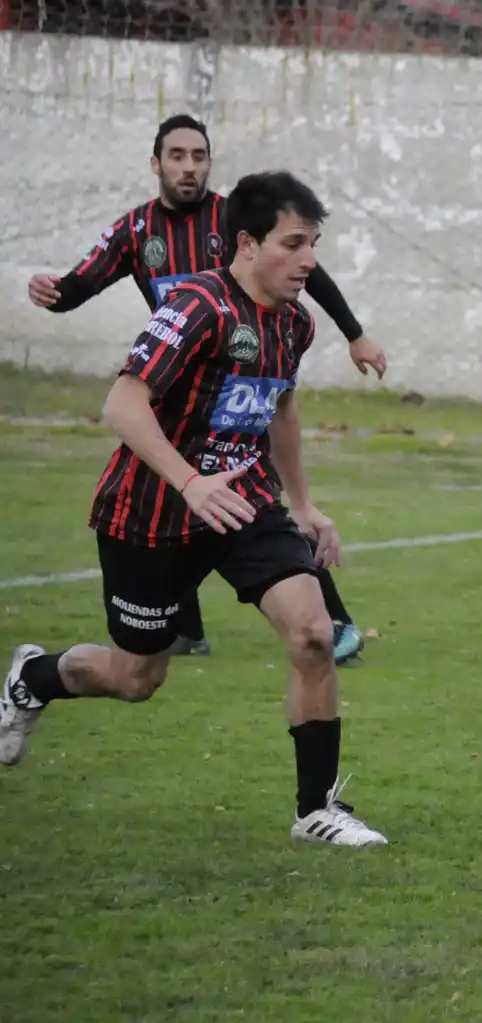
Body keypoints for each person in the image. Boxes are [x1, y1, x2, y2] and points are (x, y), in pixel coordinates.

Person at [1, 170, 389, 848]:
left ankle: (315, 809)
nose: (308, 260)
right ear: (247, 243)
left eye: (314, 244)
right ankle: (33, 676)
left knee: (314, 634)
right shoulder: (197, 305)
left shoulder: (295, 323)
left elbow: (281, 406)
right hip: (152, 510)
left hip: (243, 503)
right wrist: (189, 481)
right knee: (136, 675)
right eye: (293, 243)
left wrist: (300, 503)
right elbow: (123, 404)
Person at [26, 113, 381, 664]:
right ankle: (173, 631)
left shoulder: (238, 220)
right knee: (140, 663)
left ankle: (327, 626)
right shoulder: (138, 233)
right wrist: (50, 290)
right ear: (156, 163)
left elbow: (308, 272)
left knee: (264, 517)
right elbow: (79, 286)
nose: (189, 166)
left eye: (199, 155)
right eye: (177, 155)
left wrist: (355, 334)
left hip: (236, 414)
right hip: (175, 408)